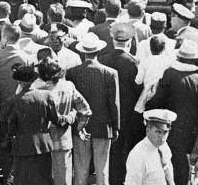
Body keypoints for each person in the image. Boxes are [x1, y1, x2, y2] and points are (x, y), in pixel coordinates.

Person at [147, 39, 198, 185]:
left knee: (173, 168)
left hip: (172, 130)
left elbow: (157, 101)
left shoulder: (169, 74)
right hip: (194, 133)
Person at [66, 33, 120, 185]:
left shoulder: (72, 72)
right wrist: (116, 127)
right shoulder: (110, 73)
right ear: (99, 51)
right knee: (102, 169)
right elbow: (114, 104)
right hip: (103, 126)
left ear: (83, 52)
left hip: (80, 127)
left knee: (80, 168)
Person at [98, 22, 144, 185]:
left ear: (112, 41)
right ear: (130, 42)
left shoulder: (101, 59)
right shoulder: (134, 63)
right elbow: (139, 90)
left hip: (104, 115)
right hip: (128, 116)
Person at [38, 57, 91, 185]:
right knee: (63, 180)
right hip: (63, 141)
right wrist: (79, 128)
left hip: (41, 142)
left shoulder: (37, 89)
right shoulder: (68, 86)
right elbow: (85, 110)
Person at [0, 23, 31, 182]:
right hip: (19, 109)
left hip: (0, 109)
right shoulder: (26, 57)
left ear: (4, 37)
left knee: (1, 148)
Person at [7, 63, 60, 185]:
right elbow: (56, 119)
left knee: (23, 179)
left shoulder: (13, 100)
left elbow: (11, 127)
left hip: (22, 145)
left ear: (19, 81)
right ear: (33, 80)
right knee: (43, 179)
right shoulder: (46, 95)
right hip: (43, 144)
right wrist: (71, 116)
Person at [124, 109, 178, 185]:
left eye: (165, 132)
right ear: (148, 130)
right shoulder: (138, 155)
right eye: (158, 132)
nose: (162, 137)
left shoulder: (164, 147)